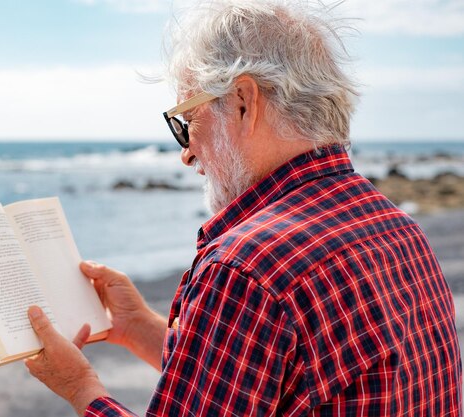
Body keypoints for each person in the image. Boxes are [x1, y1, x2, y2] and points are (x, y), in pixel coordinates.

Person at [24, 0, 462, 415]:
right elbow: (266, 384)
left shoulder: (247, 269)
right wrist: (138, 326)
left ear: (242, 102)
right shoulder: (394, 225)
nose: (187, 153)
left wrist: (81, 388)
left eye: (186, 122)